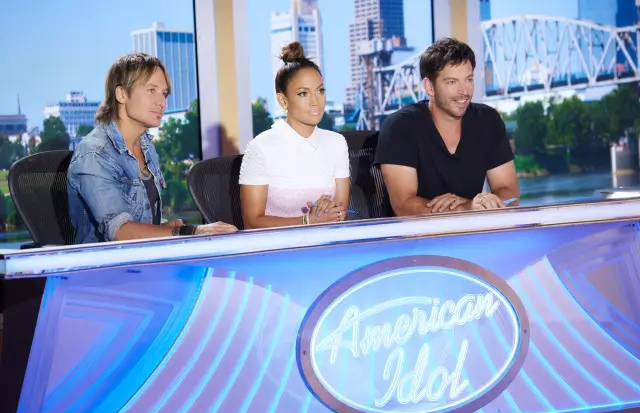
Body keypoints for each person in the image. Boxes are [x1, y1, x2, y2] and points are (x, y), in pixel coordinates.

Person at [67, 53, 237, 244]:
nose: (162, 102)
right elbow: (120, 231)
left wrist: (162, 228)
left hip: (144, 260)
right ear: (122, 94)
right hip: (105, 268)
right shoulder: (94, 154)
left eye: (164, 93)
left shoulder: (146, 147)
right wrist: (191, 231)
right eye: (151, 90)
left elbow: (141, 217)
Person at [375, 37, 519, 216]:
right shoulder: (399, 127)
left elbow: (509, 193)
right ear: (429, 87)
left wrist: (480, 205)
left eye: (468, 79)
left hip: (471, 236)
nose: (464, 91)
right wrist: (466, 208)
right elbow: (404, 207)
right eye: (452, 82)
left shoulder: (488, 120)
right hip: (416, 239)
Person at [239, 42, 350, 229]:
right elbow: (252, 222)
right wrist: (307, 221)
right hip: (278, 251)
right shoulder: (261, 147)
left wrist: (332, 211)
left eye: (320, 91)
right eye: (303, 93)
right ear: (283, 100)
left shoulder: (337, 143)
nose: (316, 101)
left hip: (326, 246)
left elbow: (340, 213)